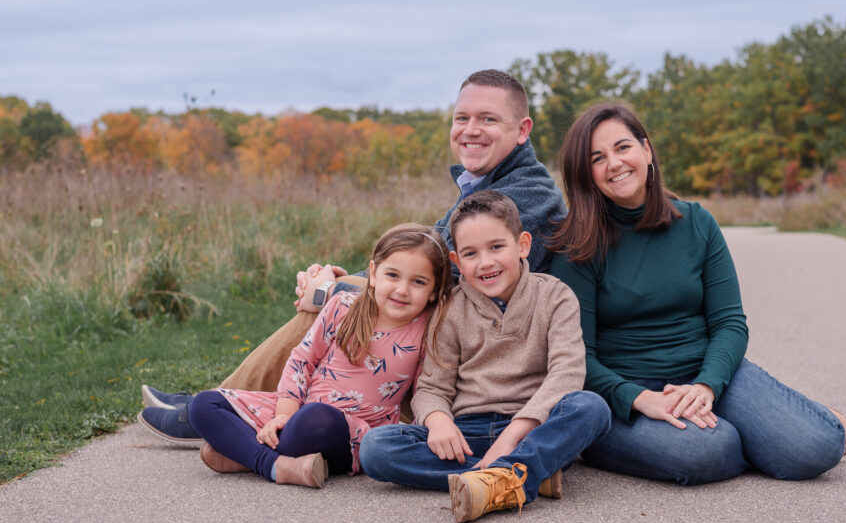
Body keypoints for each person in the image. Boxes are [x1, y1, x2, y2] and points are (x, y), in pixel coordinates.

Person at [139, 69, 567, 441]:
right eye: (462, 118)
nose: (470, 129)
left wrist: (333, 291)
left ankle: (221, 406)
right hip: (460, 325)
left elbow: (448, 276)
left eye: (488, 119)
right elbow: (426, 255)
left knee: (345, 302)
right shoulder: (487, 184)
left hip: (485, 348)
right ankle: (235, 402)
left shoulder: (525, 193)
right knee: (345, 294)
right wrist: (342, 278)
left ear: (522, 129)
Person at [547, 102, 846, 486]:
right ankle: (764, 431)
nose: (614, 163)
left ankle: (805, 418)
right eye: (598, 158)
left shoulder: (696, 222)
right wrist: (640, 399)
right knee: (710, 450)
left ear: (646, 150)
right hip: (623, 397)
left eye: (622, 147)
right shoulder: (577, 244)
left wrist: (707, 385)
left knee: (819, 446)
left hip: (704, 374)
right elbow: (576, 355)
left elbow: (729, 322)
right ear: (586, 173)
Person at [358, 191, 611, 523]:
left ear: (522, 245)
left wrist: (512, 437)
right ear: (456, 262)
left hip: (533, 427)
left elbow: (566, 373)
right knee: (376, 448)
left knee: (592, 407)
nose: (486, 262)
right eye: (470, 254)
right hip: (467, 432)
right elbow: (433, 387)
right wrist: (439, 422)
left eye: (496, 247)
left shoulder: (555, 296)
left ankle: (508, 471)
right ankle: (523, 475)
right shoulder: (450, 307)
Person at [181, 223, 453, 488]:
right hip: (296, 410)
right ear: (373, 271)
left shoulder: (428, 331)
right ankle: (277, 466)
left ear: (433, 292)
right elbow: (302, 360)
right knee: (203, 405)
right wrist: (283, 416)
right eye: (392, 275)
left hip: (347, 431)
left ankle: (248, 455)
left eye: (418, 282)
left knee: (316, 418)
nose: (402, 289)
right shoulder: (344, 305)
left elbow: (425, 391)